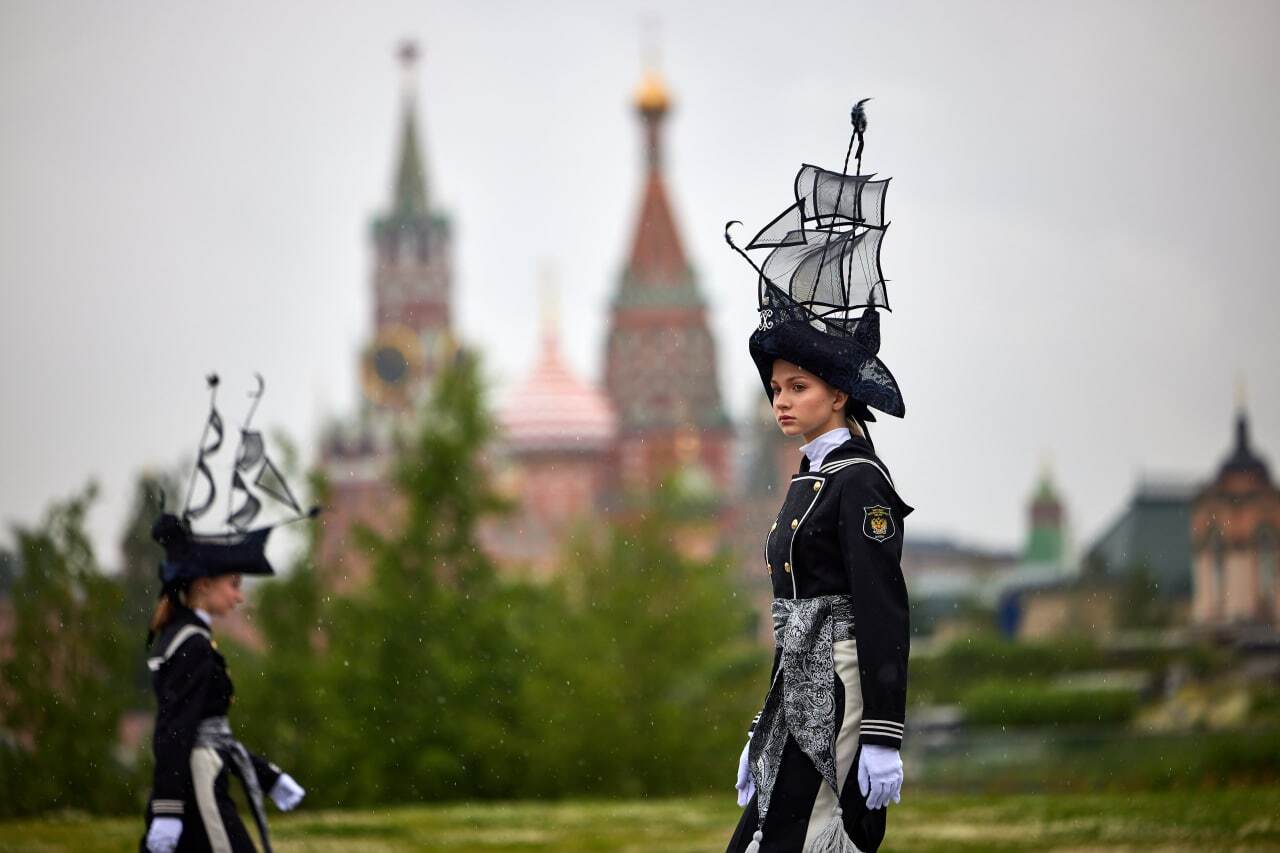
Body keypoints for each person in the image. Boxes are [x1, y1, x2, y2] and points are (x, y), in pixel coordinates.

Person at [724, 100, 911, 852]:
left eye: (797, 386)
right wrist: (758, 725)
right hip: (795, 694)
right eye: (775, 388)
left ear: (839, 391)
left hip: (840, 697)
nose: (781, 400)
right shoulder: (809, 480)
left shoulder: (860, 481)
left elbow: (881, 610)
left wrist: (884, 731)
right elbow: (791, 616)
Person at [140, 513, 306, 853]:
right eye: (233, 584)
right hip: (197, 782)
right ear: (203, 584)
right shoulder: (192, 645)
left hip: (199, 777)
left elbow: (210, 732)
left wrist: (267, 777)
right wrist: (168, 809)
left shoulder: (191, 639)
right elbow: (176, 731)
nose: (239, 596)